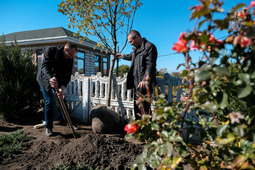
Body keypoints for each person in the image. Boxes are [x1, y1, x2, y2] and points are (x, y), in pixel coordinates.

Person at [37, 42, 78, 136]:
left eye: (73, 55)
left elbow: (67, 75)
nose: (71, 57)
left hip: (58, 80)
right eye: (70, 54)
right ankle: (48, 127)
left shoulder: (70, 59)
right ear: (65, 49)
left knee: (62, 99)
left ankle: (69, 122)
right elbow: (45, 66)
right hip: (45, 79)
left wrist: (63, 88)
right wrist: (50, 78)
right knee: (49, 101)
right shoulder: (51, 50)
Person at [117, 30, 158, 120]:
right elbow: (131, 56)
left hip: (145, 83)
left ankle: (146, 131)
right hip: (136, 82)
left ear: (137, 37)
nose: (130, 44)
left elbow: (151, 65)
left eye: (131, 41)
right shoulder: (136, 49)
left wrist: (145, 79)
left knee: (145, 107)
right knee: (137, 106)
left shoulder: (149, 47)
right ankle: (138, 129)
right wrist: (122, 56)